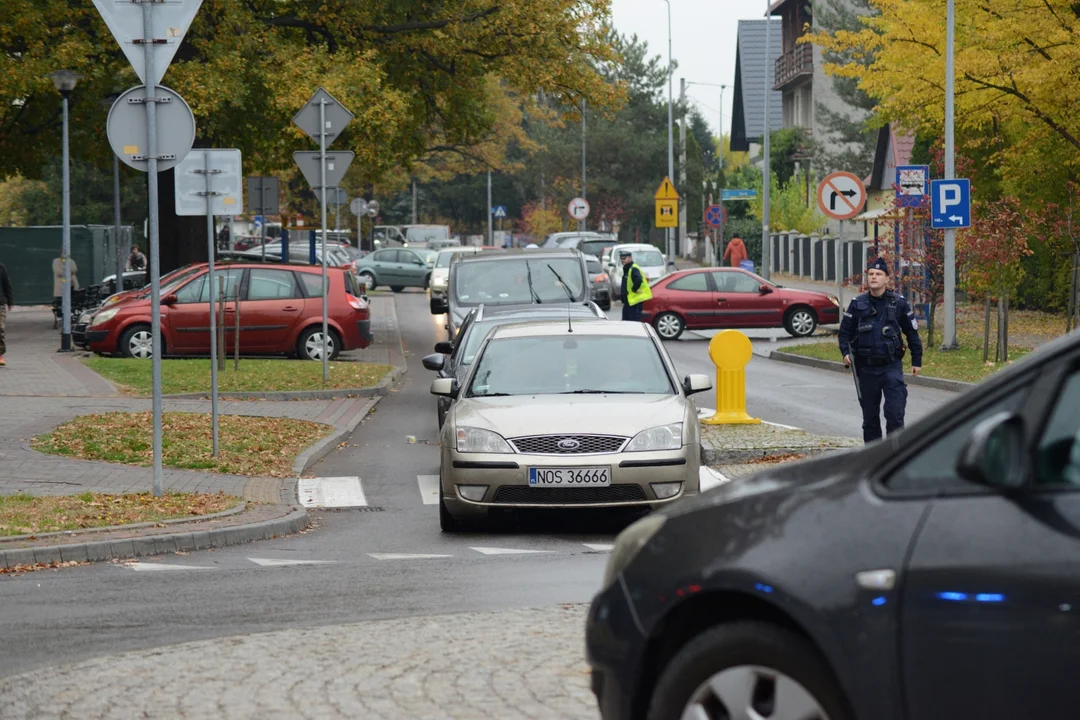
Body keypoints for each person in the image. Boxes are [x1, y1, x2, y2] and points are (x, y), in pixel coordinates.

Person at [838, 257, 923, 444]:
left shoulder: (898, 303)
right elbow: (844, 333)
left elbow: (912, 333)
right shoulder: (857, 304)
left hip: (891, 367)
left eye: (878, 274)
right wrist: (845, 353)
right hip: (865, 369)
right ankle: (874, 459)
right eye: (871, 274)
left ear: (886, 279)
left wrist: (917, 360)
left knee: (895, 416)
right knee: (870, 420)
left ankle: (895, 457)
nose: (874, 277)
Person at [619, 250, 651, 322]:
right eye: (621, 259)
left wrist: (634, 289)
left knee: (633, 323)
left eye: (624, 258)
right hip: (629, 302)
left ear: (630, 258)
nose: (622, 260)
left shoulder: (633, 268)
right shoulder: (627, 268)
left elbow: (639, 279)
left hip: (634, 303)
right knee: (626, 322)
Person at [0, 260, 12, 367]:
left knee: (0, 329)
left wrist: (10, 301)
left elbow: (6, 284)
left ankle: (0, 355)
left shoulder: (1, 267)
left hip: (0, 303)